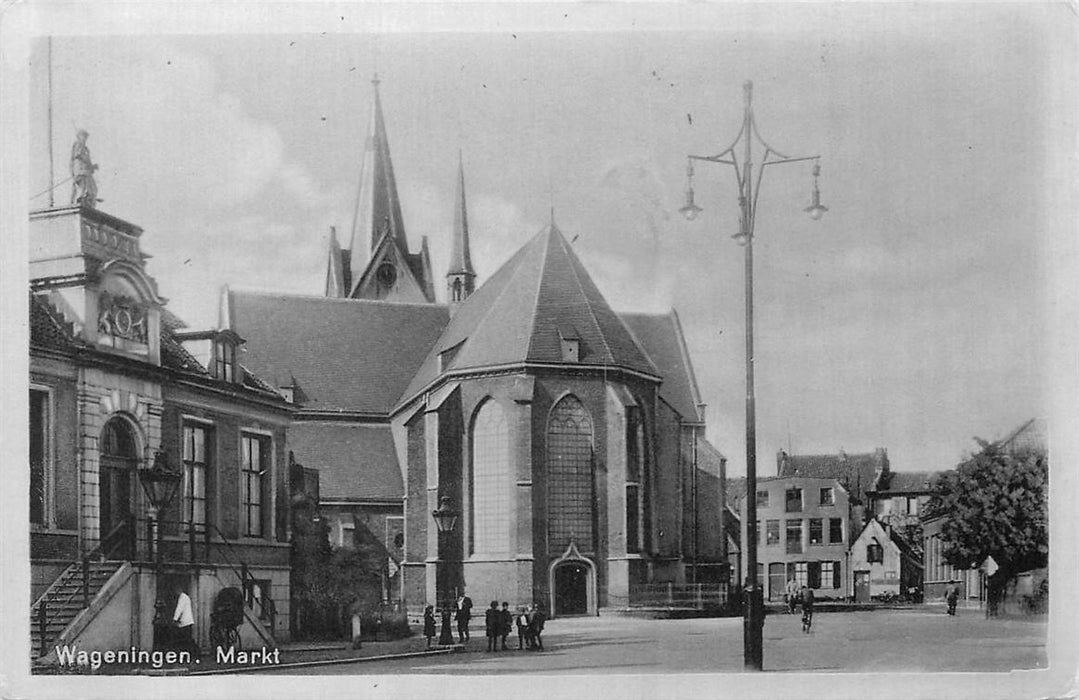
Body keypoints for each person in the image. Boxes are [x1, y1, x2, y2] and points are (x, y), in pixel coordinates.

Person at [70, 129, 99, 208]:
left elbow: (87, 159)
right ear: (79, 137)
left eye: (86, 137)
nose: (85, 139)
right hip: (80, 171)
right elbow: (78, 155)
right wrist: (90, 165)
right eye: (83, 136)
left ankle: (88, 202)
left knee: (93, 189)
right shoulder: (78, 144)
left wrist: (92, 166)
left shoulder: (86, 149)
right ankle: (80, 201)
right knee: (83, 188)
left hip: (86, 172)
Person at [172, 583, 197, 658]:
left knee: (186, 639)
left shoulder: (182, 597)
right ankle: (190, 654)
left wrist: (175, 619)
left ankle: (194, 653)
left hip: (184, 622)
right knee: (187, 639)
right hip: (186, 622)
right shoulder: (185, 597)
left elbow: (179, 609)